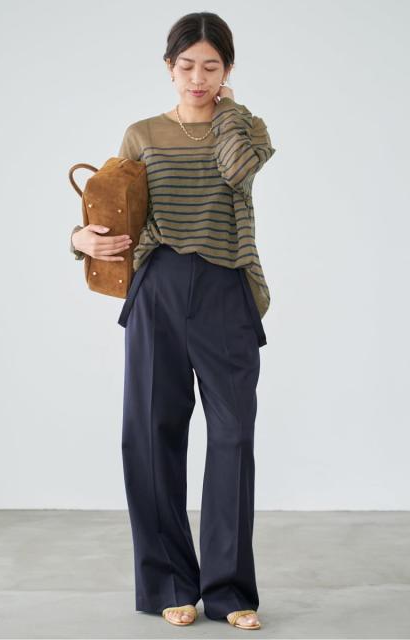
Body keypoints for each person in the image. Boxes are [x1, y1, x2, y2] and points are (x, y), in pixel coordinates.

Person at [70, 12, 276, 631]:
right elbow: (114, 208)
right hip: (157, 286)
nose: (197, 78)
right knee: (151, 434)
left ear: (228, 70)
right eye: (186, 66)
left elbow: (237, 170)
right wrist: (79, 239)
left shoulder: (247, 128)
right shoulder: (142, 134)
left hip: (226, 289)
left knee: (234, 436)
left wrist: (229, 111)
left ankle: (230, 591)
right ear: (169, 67)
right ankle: (170, 584)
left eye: (211, 67)